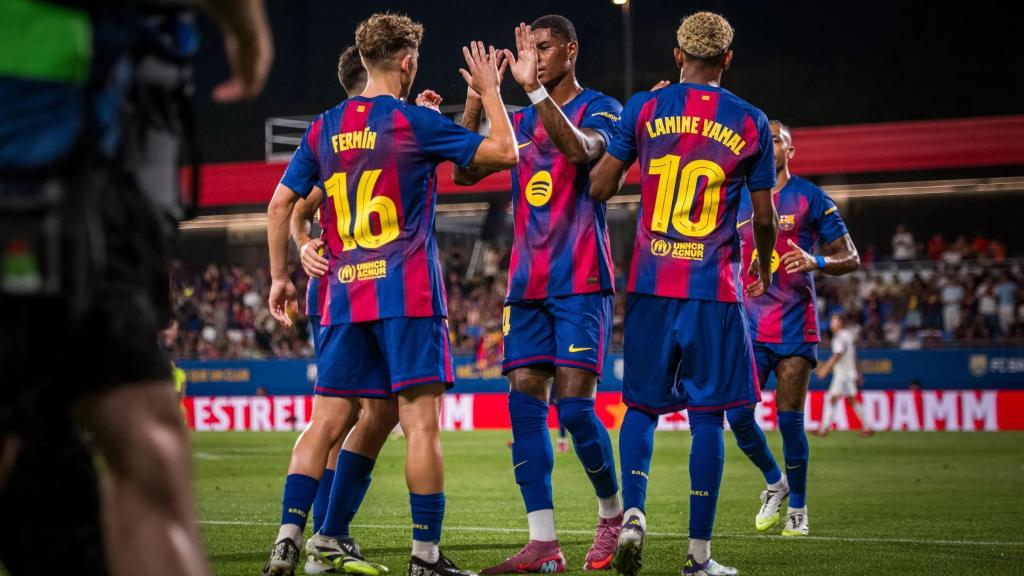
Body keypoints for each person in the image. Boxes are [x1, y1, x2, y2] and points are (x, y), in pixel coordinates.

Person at [0, 1, 271, 575]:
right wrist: (249, 37)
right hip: (42, 159)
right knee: (141, 448)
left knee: (144, 445)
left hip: (89, 179)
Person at [263, 13, 518, 576]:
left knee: (328, 420)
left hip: (346, 294)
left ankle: (291, 541)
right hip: (406, 292)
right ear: (407, 62)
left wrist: (281, 274)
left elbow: (281, 204)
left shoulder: (324, 128)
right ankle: (425, 557)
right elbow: (504, 153)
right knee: (421, 425)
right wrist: (492, 92)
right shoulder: (410, 123)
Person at [590, 11, 778, 576]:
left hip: (649, 284)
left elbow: (600, 184)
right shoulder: (750, 121)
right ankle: (698, 558)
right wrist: (763, 264)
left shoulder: (645, 108)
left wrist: (635, 127)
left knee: (641, 408)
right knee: (707, 418)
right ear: (727, 60)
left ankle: (634, 514)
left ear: (676, 56)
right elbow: (765, 216)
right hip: (712, 290)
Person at [454, 16, 624, 573]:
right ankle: (543, 544)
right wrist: (481, 100)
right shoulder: (520, 120)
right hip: (527, 285)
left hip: (581, 281)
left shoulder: (602, 107)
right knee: (524, 410)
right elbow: (465, 172)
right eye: (529, 50)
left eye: (545, 47)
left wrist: (531, 87)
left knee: (575, 409)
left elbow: (580, 153)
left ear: (571, 50)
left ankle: (612, 515)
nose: (536, 56)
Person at [728, 120, 860, 538]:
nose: (768, 146)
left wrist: (817, 261)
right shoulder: (737, 200)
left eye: (776, 141)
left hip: (794, 326)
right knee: (737, 415)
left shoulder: (811, 198)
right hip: (749, 324)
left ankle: (798, 510)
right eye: (763, 141)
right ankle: (775, 482)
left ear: (790, 150)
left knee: (790, 422)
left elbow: (851, 257)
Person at [816, 314, 872, 438]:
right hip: (849, 374)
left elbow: (837, 355)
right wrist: (857, 372)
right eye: (831, 320)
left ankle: (824, 429)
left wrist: (825, 369)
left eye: (834, 321)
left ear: (840, 323)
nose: (832, 323)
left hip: (842, 376)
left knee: (833, 399)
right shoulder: (847, 335)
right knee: (851, 401)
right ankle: (868, 426)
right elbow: (853, 356)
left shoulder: (839, 338)